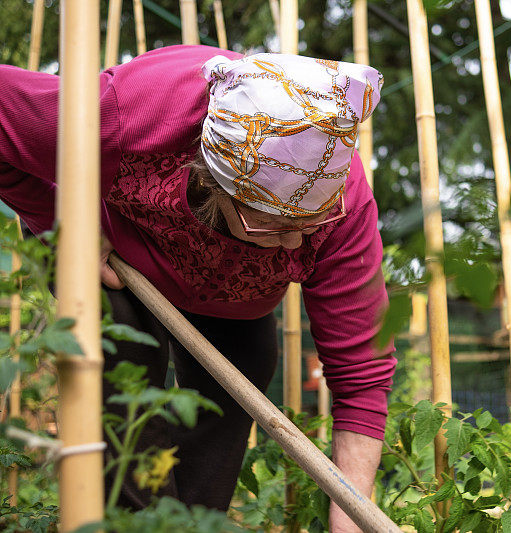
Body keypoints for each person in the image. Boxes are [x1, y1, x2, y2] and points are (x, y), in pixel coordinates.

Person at [0, 45, 396, 531]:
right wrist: (58, 220)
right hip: (119, 262)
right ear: (213, 181)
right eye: (271, 226)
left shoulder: (344, 202)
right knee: (119, 355)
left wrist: (350, 523)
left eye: (310, 224)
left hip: (234, 299)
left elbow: (362, 373)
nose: (294, 242)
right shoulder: (130, 117)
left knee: (243, 374)